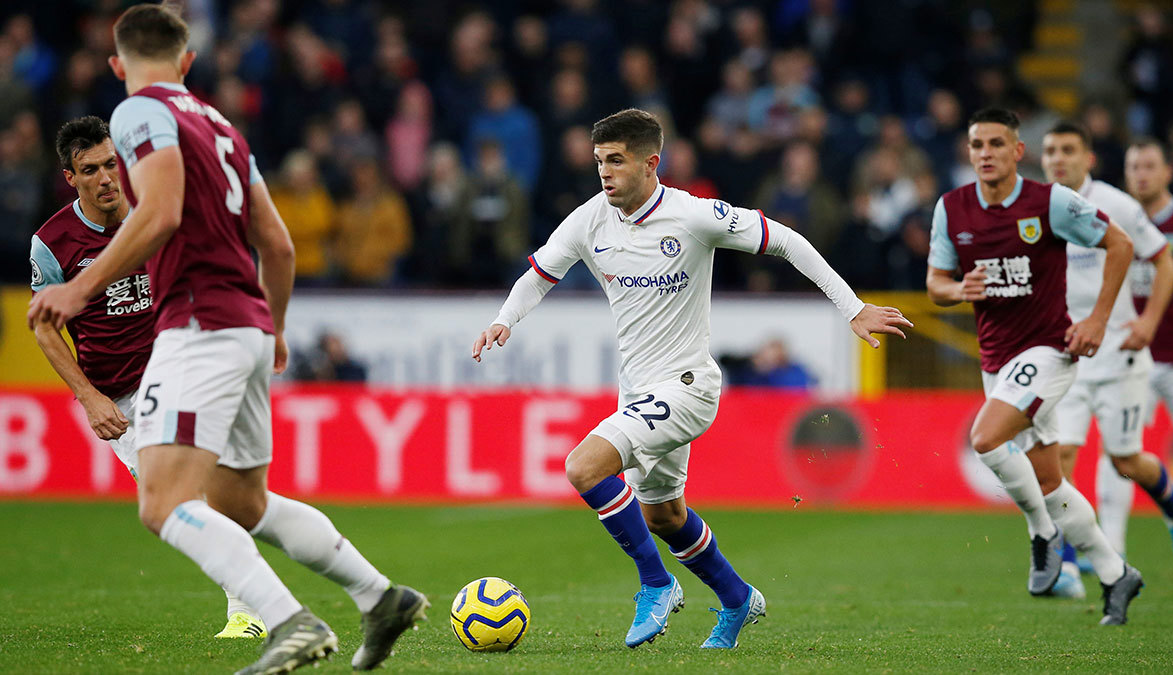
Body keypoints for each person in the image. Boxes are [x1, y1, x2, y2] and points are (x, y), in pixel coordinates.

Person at [26, 7, 426, 674]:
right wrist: (272, 327)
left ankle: (289, 621)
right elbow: (279, 245)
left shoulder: (135, 114)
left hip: (195, 322)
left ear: (119, 66)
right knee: (242, 501)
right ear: (187, 61)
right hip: (244, 320)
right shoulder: (222, 129)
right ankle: (379, 595)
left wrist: (79, 286)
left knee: (162, 502)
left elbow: (160, 211)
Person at [472, 108, 911, 649]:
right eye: (598, 162)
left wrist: (852, 309)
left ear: (651, 163)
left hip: (687, 386)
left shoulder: (695, 215)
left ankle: (656, 584)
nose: (604, 173)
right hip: (637, 390)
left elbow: (788, 242)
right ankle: (737, 598)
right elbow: (539, 274)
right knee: (664, 514)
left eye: (616, 161)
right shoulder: (590, 219)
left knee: (584, 467)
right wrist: (502, 320)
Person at [30, 116, 268, 640]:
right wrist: (89, 398)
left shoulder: (154, 209)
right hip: (121, 397)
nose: (106, 178)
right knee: (177, 510)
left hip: (181, 365)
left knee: (206, 493)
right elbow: (47, 331)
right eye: (90, 170)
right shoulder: (52, 244)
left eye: (112, 163)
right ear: (70, 177)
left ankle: (248, 610)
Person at [925, 108, 1143, 625]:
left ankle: (1042, 534)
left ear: (1017, 152)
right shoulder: (952, 208)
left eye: (996, 144)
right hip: (996, 359)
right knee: (1048, 482)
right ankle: (1117, 574)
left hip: (1049, 350)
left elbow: (1122, 244)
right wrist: (958, 290)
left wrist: (1096, 320)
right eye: (977, 144)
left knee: (985, 439)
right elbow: (935, 281)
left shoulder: (1050, 203)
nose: (985, 154)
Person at [1039, 122, 1173, 598]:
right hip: (1065, 357)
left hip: (1119, 357)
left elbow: (1163, 260)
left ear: (1088, 158)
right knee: (1059, 456)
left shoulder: (1118, 205)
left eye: (1069, 150)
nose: (1058, 159)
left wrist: (1148, 323)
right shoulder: (1035, 208)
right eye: (1051, 151)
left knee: (1126, 460)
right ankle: (1066, 566)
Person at [1126, 138, 1173, 530]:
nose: (1141, 174)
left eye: (1149, 166)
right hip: (1132, 358)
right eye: (1134, 166)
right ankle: (1113, 551)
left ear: (1167, 172)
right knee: (1117, 450)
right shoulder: (1119, 226)